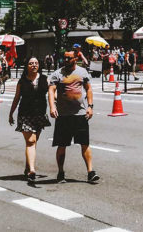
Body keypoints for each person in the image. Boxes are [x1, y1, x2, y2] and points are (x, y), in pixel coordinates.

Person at [48, 50, 98, 183]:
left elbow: (88, 89)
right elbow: (51, 90)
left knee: (84, 144)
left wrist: (90, 106)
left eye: (69, 58)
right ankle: (60, 172)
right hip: (63, 115)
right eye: (64, 58)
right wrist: (52, 106)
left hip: (80, 114)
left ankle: (90, 172)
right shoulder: (57, 74)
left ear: (75, 59)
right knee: (62, 145)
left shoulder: (82, 72)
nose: (66, 60)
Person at [8, 57, 50, 180]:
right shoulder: (22, 82)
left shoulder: (44, 79)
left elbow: (52, 93)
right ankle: (32, 170)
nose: (33, 65)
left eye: (36, 63)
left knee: (33, 142)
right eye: (31, 63)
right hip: (25, 114)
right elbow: (16, 98)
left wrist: (56, 105)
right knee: (31, 141)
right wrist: (11, 113)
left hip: (40, 114)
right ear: (27, 66)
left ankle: (28, 167)